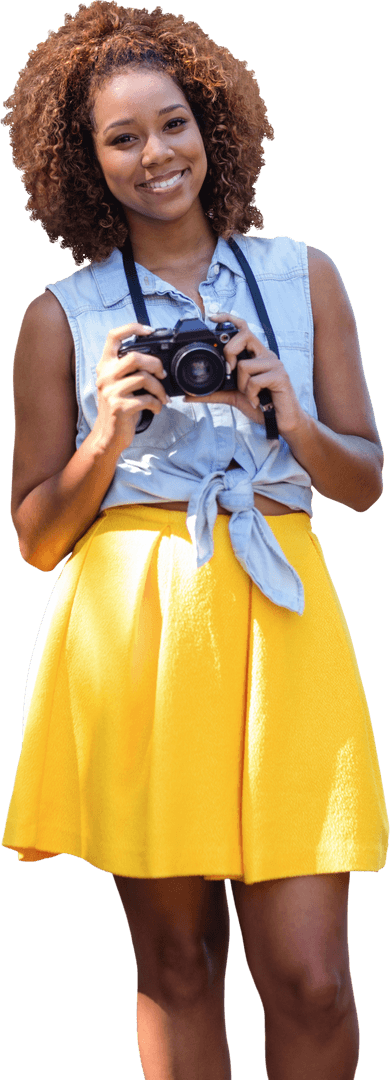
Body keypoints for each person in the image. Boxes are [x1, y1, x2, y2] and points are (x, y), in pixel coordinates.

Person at [1, 3, 388, 1078]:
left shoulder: (306, 276)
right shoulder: (57, 317)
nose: (154, 154)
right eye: (120, 139)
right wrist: (105, 436)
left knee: (313, 977)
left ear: (209, 123)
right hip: (134, 638)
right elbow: (36, 537)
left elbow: (363, 484)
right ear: (84, 162)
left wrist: (292, 419)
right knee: (176, 963)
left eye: (171, 124)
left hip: (284, 622)